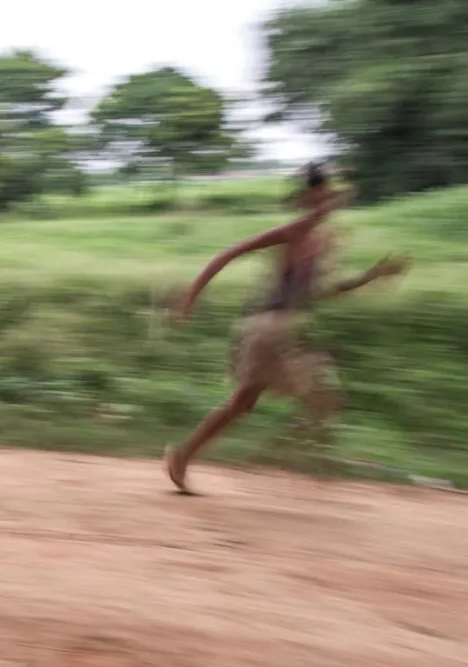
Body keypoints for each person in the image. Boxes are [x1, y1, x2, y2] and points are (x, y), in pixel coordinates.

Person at [163, 162, 408, 494]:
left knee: (244, 403)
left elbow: (323, 292)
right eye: (319, 198)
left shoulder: (322, 241)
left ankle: (184, 457)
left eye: (327, 198)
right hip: (269, 329)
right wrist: (191, 295)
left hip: (278, 330)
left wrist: (371, 276)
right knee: (322, 395)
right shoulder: (295, 230)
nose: (325, 205)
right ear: (307, 200)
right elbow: (229, 252)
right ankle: (291, 454)